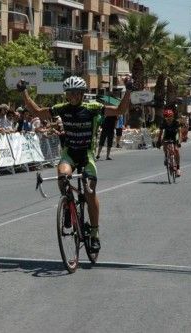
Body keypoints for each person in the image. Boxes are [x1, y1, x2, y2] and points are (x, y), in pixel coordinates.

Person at [18, 76, 131, 252]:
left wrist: (128, 90)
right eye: (70, 93)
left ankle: (94, 233)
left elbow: (120, 110)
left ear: (82, 94)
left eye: (76, 93)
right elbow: (38, 112)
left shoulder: (93, 108)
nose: (73, 97)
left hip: (86, 154)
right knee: (62, 176)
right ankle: (68, 207)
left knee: (90, 191)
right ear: (66, 94)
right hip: (69, 153)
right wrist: (23, 92)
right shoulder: (62, 109)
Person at [156, 109, 182, 177]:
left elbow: (179, 132)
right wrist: (159, 141)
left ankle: (178, 168)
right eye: (166, 117)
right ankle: (166, 156)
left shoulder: (176, 122)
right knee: (165, 145)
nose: (168, 118)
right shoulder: (163, 123)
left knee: (176, 150)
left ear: (172, 116)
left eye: (170, 116)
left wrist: (179, 140)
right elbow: (161, 133)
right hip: (167, 136)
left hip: (174, 137)